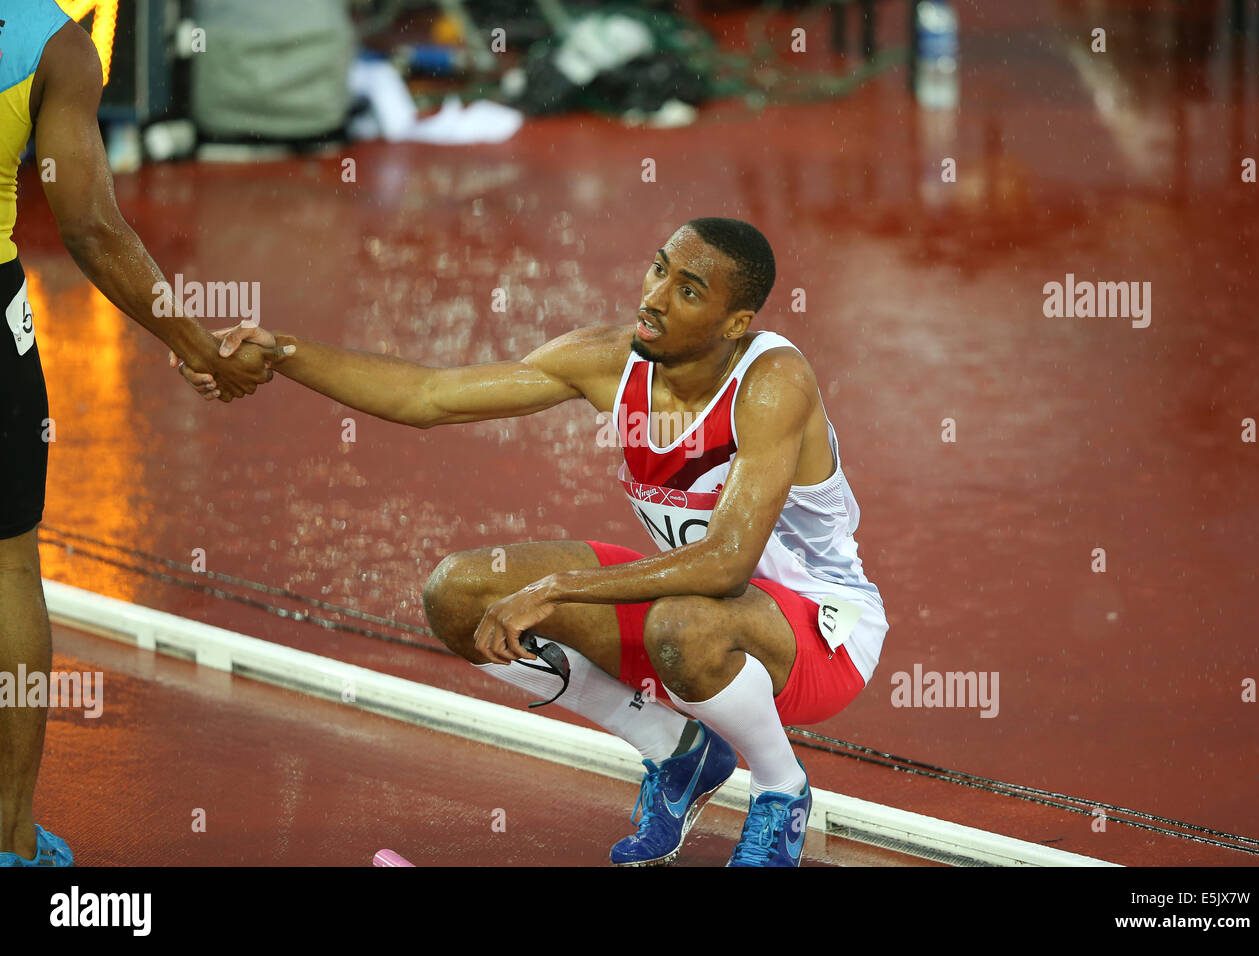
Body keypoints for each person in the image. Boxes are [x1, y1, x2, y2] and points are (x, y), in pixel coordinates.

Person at [187, 217, 889, 867]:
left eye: (688, 289)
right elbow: (428, 396)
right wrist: (282, 352)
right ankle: (674, 750)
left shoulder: (772, 382)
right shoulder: (607, 360)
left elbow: (726, 563)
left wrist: (556, 588)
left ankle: (779, 788)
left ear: (736, 322)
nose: (656, 296)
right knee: (460, 592)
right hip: (695, 606)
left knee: (682, 621)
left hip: (820, 636)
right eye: (657, 270)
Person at [0, 2, 278, 866]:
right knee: (5, 564)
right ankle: (6, 842)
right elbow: (88, 226)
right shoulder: (50, 43)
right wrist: (199, 348)